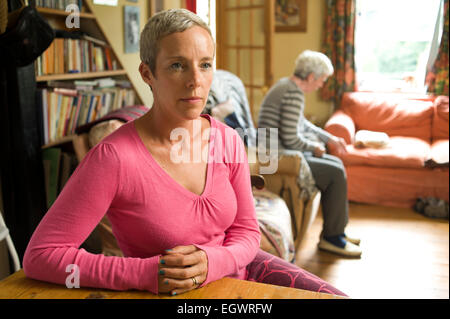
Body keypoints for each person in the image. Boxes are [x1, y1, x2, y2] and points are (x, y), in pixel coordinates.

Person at [23, 10, 346, 297]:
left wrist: (214, 260)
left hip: (244, 271)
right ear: (148, 73)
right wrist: (146, 273)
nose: (196, 81)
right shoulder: (113, 158)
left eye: (205, 65)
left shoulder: (228, 140)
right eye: (177, 65)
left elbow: (247, 232)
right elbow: (41, 256)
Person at [258, 50, 362, 257]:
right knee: (335, 173)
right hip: (278, 156)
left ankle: (336, 232)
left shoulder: (285, 85)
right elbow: (291, 138)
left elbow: (301, 124)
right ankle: (332, 238)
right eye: (322, 80)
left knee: (335, 166)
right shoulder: (293, 93)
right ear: (312, 77)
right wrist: (314, 148)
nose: (321, 85)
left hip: (278, 152)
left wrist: (328, 138)